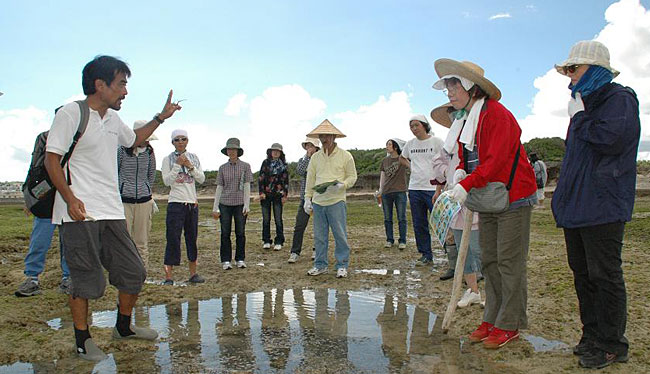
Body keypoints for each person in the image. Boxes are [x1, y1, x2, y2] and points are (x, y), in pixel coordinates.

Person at [44, 55, 181, 361]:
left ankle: (123, 327)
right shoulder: (71, 113)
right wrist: (69, 198)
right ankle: (83, 339)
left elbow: (134, 140)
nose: (125, 91)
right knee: (86, 278)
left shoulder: (113, 120)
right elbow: (51, 160)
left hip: (112, 210)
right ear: (99, 85)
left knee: (134, 272)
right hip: (79, 213)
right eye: (121, 84)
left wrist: (161, 117)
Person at [432, 58, 536, 349]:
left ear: (470, 87)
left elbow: (496, 161)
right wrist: (460, 174)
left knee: (509, 261)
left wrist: (466, 183)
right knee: (489, 260)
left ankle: (510, 323)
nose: (450, 92)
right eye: (448, 87)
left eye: (454, 85)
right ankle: (492, 317)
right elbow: (467, 158)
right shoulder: (466, 120)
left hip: (513, 196)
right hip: (487, 198)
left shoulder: (496, 115)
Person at [552, 40, 639, 369]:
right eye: (568, 71)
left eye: (574, 69)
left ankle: (612, 344)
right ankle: (591, 335)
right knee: (583, 275)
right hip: (577, 205)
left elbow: (612, 139)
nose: (569, 77)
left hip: (603, 205)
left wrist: (582, 118)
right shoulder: (583, 105)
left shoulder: (619, 98)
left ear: (596, 69)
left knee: (605, 275)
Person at [430, 106, 483, 306]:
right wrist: (446, 175)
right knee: (463, 248)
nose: (457, 119)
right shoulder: (449, 143)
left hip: (476, 196)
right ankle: (472, 290)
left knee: (480, 248)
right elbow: (438, 163)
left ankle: (494, 293)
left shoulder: (478, 137)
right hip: (455, 198)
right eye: (453, 117)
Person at [303, 119, 357, 278]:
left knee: (340, 235)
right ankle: (320, 265)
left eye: (327, 136)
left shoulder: (346, 156)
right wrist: (307, 198)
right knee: (319, 236)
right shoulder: (315, 157)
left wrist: (343, 185)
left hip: (337, 202)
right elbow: (310, 179)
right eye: (321, 136)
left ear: (334, 137)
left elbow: (352, 177)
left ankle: (342, 265)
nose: (324, 139)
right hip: (318, 202)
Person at [161, 129, 206, 285]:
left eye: (183, 139)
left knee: (191, 238)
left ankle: (193, 273)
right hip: (175, 203)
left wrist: (190, 166)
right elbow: (166, 181)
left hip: (192, 204)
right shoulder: (168, 159)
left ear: (187, 141)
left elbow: (201, 179)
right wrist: (177, 166)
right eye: (177, 139)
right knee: (173, 238)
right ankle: (169, 276)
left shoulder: (194, 157)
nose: (180, 142)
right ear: (172, 142)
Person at [399, 115, 444, 266]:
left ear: (425, 125)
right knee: (419, 223)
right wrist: (411, 167)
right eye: (411, 126)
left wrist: (440, 187)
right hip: (414, 188)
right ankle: (426, 254)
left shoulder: (436, 141)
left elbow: (445, 160)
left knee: (440, 222)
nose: (414, 129)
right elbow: (402, 158)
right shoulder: (410, 144)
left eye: (416, 125)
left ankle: (451, 252)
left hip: (432, 188)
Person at [118, 120, 157, 269]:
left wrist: (145, 189)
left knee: (142, 240)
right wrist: (121, 190)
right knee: (124, 239)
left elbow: (151, 174)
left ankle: (142, 271)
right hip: (124, 201)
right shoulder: (121, 150)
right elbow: (115, 171)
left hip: (144, 201)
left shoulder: (150, 152)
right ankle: (125, 270)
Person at [212, 138, 253, 270]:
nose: (231, 152)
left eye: (234, 149)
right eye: (229, 149)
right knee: (225, 233)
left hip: (240, 203)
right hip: (225, 204)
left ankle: (240, 259)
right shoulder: (222, 168)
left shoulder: (245, 166)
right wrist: (215, 207)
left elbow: (247, 186)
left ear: (238, 151)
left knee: (240, 232)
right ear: (226, 151)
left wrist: (247, 204)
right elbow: (219, 187)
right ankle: (225, 260)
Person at [288, 137, 320, 263]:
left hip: (319, 197)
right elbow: (300, 171)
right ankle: (295, 252)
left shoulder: (322, 159)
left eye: (311, 146)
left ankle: (317, 250)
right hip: (304, 197)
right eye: (307, 146)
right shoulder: (303, 160)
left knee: (319, 226)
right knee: (299, 225)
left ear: (316, 147)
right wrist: (308, 157)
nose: (309, 148)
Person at [378, 138, 408, 249]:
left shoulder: (402, 159)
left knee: (401, 217)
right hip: (386, 192)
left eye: (389, 144)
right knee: (387, 218)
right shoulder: (384, 161)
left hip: (400, 191)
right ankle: (389, 240)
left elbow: (407, 147)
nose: (387, 146)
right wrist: (381, 189)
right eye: (387, 144)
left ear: (395, 147)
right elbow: (383, 175)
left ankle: (402, 241)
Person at [258, 143, 289, 250]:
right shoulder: (265, 163)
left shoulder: (284, 165)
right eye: (273, 150)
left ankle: (279, 241)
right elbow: (261, 178)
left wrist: (285, 195)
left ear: (280, 153)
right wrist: (261, 193)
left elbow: (286, 181)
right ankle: (266, 240)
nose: (275, 152)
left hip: (278, 195)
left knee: (278, 219)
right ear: (270, 152)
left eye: (278, 151)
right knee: (266, 219)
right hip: (266, 195)